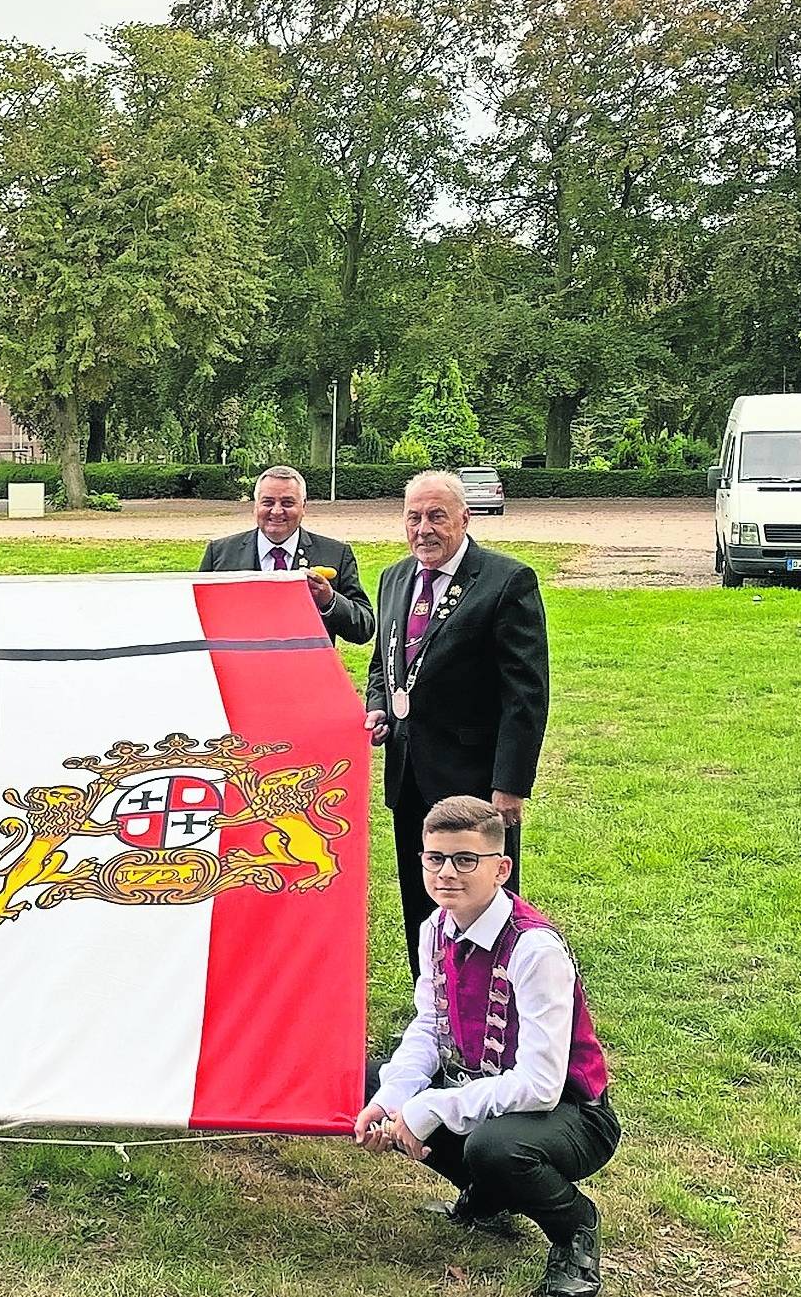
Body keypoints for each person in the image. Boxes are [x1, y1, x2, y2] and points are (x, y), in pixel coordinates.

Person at [356, 796, 617, 1297]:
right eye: (435, 858)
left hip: (572, 1111)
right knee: (368, 1079)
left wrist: (429, 1106)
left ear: (501, 869)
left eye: (465, 860)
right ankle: (487, 1198)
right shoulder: (435, 927)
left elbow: (540, 1086)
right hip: (484, 1085)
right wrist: (390, 1103)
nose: (447, 873)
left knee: (495, 1146)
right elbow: (429, 1028)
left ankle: (575, 1231)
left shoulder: (534, 948)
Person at [364, 469, 550, 975]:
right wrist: (378, 704)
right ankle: (432, 996)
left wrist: (510, 784)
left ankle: (491, 998)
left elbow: (526, 695)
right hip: (409, 775)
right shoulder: (394, 577)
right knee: (422, 895)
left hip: (474, 779)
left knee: (479, 898)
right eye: (413, 517)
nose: (423, 528)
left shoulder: (506, 580)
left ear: (465, 518)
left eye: (436, 516)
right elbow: (384, 662)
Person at [199, 465, 375, 645]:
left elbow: (364, 628)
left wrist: (330, 601)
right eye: (267, 502)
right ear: (255, 505)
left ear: (303, 506)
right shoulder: (220, 554)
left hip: (305, 669)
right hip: (237, 668)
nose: (276, 511)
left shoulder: (335, 555)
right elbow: (197, 618)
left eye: (287, 503)